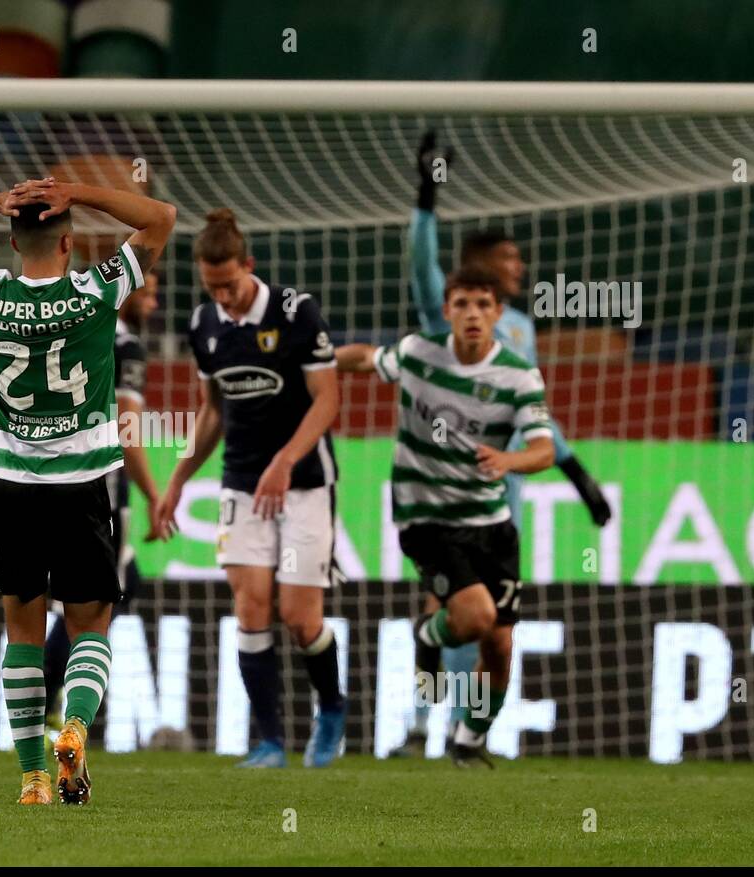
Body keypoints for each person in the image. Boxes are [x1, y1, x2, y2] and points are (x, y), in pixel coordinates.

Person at [0, 177, 175, 804]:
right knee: (90, 627)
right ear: (69, 241)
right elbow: (160, 218)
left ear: (9, 239)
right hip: (81, 488)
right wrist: (80, 190)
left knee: (23, 634)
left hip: (10, 489)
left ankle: (32, 779)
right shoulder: (95, 291)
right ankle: (76, 726)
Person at [398, 131, 612, 755]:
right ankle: (418, 726)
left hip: (504, 495)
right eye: (511, 258)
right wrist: (427, 195)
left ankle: (468, 733)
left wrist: (577, 475)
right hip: (445, 495)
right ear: (484, 267)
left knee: (490, 627)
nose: (521, 267)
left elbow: (530, 414)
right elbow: (421, 263)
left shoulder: (515, 329)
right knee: (455, 613)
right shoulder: (445, 320)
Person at [337, 268, 556, 767]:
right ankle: (427, 635)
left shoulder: (519, 375)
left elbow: (543, 451)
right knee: (476, 618)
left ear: (499, 313)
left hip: (491, 522)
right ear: (448, 311)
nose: (473, 313)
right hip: (426, 517)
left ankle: (470, 737)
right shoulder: (418, 353)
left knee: (500, 646)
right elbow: (367, 359)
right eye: (462, 304)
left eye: (483, 304)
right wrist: (318, 360)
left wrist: (508, 460)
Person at [156, 208, 346, 769]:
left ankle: (331, 708)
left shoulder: (295, 312)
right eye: (213, 288)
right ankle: (269, 742)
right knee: (250, 607)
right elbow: (211, 413)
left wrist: (286, 459)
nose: (225, 299)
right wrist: (176, 481)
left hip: (305, 482)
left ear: (250, 267)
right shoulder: (204, 326)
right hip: (241, 482)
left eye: (232, 286)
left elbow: (329, 399)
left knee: (300, 616)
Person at [43, 272, 172, 736]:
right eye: (149, 293)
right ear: (127, 289)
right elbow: (127, 431)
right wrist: (157, 495)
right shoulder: (126, 345)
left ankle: (49, 699)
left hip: (45, 473)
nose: (154, 305)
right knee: (93, 603)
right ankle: (50, 707)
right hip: (101, 485)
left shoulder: (73, 327)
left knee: (122, 581)